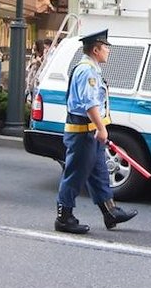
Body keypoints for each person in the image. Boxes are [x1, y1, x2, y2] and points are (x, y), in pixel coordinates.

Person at [55, 29, 137, 234]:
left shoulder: (92, 68)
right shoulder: (87, 71)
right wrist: (101, 128)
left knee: (99, 173)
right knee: (75, 174)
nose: (108, 51)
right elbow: (89, 103)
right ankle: (64, 217)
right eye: (105, 48)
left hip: (90, 132)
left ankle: (110, 212)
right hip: (83, 132)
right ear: (96, 49)